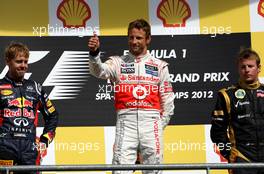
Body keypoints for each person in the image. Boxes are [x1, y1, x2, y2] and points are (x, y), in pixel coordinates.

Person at [88, 19, 175, 174]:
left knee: (154, 170)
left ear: (148, 39)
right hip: (125, 122)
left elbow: (168, 101)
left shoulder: (159, 65)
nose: (134, 41)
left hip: (151, 123)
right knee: (121, 169)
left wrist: (158, 126)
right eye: (131, 37)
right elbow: (98, 71)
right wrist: (95, 54)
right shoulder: (117, 62)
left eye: (139, 38)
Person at [0, 42, 58, 173]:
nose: (23, 66)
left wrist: (45, 140)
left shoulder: (36, 88)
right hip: (5, 147)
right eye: (19, 61)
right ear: (8, 62)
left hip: (30, 149)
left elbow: (53, 115)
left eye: (26, 62)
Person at [210, 48, 264, 174]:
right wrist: (229, 154)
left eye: (250, 66)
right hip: (242, 157)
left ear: (258, 68)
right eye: (243, 67)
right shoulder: (227, 95)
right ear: (238, 69)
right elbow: (217, 132)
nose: (247, 70)